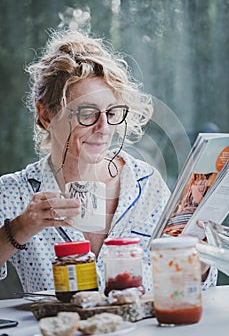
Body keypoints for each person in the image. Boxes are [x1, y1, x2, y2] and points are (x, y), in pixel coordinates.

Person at [0, 30, 216, 294]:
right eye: (88, 113)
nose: (104, 128)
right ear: (46, 116)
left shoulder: (146, 184)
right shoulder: (15, 193)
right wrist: (20, 228)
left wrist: (201, 262)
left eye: (112, 113)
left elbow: (181, 285)